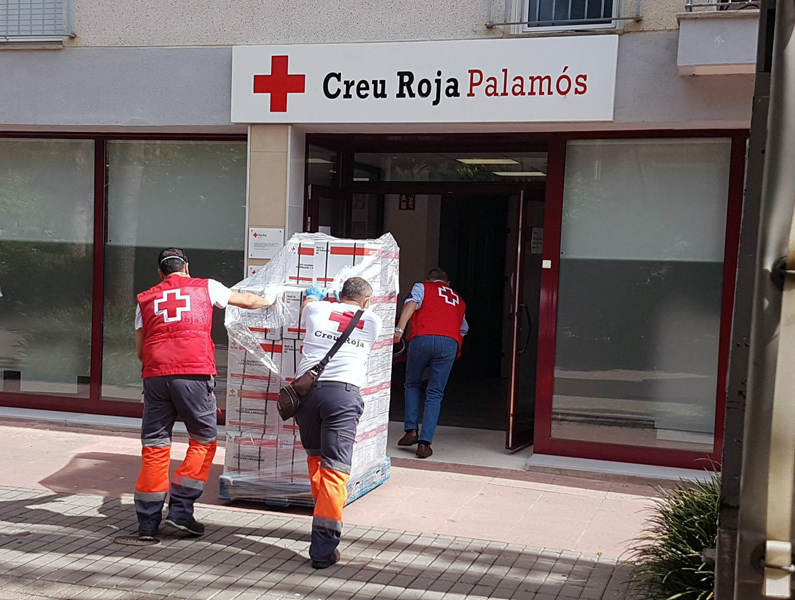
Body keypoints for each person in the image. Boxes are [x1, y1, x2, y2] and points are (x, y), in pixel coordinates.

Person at [133, 248, 272, 541]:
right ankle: (181, 511)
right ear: (186, 267)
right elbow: (247, 300)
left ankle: (147, 523)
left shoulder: (145, 299)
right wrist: (272, 298)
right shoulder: (206, 286)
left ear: (160, 273)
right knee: (203, 438)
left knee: (155, 445)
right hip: (193, 372)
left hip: (155, 376)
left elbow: (139, 351)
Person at [294, 277, 382, 569]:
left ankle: (322, 515)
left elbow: (307, 304)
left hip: (306, 396)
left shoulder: (317, 309)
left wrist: (316, 296)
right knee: (335, 471)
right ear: (366, 301)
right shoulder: (371, 320)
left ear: (338, 294)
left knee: (316, 461)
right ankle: (322, 550)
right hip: (342, 397)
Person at [393, 268, 468, 459]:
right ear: (447, 283)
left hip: (422, 338)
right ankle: (425, 443)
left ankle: (411, 430)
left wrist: (400, 329)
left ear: (429, 279)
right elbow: (464, 328)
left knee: (412, 384)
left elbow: (412, 303)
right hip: (449, 344)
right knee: (435, 393)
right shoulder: (458, 299)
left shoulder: (422, 287)